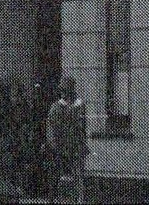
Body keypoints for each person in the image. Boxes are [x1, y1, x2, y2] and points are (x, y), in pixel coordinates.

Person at [43, 76, 88, 205]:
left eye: (67, 89)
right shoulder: (56, 107)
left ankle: (79, 199)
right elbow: (51, 129)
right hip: (61, 147)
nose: (65, 92)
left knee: (77, 174)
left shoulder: (78, 106)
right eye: (64, 90)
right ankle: (56, 198)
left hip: (74, 146)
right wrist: (54, 145)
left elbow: (82, 126)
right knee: (58, 175)